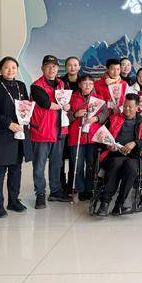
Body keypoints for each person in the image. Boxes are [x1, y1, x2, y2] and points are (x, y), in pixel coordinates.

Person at [0, 56, 33, 218]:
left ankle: (13, 201)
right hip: (1, 135)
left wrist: (26, 118)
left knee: (16, 170)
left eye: (13, 68)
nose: (10, 70)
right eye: (7, 67)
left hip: (19, 134)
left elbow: (25, 106)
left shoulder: (21, 86)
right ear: (1, 69)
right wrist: (8, 123)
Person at [96, 93, 142, 217]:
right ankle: (105, 202)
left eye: (130, 107)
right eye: (125, 106)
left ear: (137, 107)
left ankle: (119, 204)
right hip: (115, 154)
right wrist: (107, 145)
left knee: (131, 167)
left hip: (133, 155)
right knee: (116, 164)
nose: (127, 109)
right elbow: (102, 136)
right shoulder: (113, 118)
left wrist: (135, 143)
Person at [30, 55, 71, 209]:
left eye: (54, 66)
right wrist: (62, 106)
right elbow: (46, 103)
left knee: (57, 164)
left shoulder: (62, 84)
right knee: (39, 166)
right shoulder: (36, 86)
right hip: (42, 131)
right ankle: (40, 193)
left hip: (59, 130)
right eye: (48, 66)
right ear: (42, 68)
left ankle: (55, 191)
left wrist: (68, 106)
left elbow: (67, 102)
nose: (51, 69)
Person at [67, 74, 109, 201]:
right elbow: (66, 114)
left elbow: (106, 112)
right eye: (85, 83)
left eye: (90, 83)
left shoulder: (98, 98)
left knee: (91, 164)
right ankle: (80, 189)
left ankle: (90, 189)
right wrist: (75, 114)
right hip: (76, 136)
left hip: (92, 136)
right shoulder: (72, 97)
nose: (88, 86)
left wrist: (96, 118)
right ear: (79, 84)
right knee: (78, 165)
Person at [59, 55, 81, 193]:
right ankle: (61, 185)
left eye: (75, 65)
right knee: (60, 157)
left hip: (77, 125)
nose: (72, 67)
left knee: (74, 157)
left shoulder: (84, 82)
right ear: (65, 67)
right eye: (69, 65)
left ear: (79, 67)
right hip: (61, 124)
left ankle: (72, 185)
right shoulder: (59, 82)